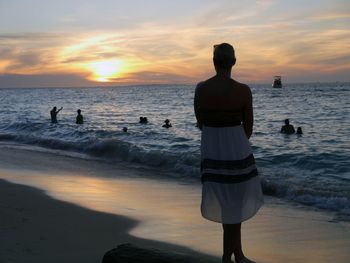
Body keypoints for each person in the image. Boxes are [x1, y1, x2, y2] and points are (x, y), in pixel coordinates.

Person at [194, 43, 263, 263]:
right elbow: (249, 129)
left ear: (214, 62)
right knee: (236, 202)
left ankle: (238, 254)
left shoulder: (201, 89)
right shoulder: (243, 91)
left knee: (227, 203)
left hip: (211, 150)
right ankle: (227, 257)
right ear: (234, 62)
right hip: (236, 148)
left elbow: (200, 123)